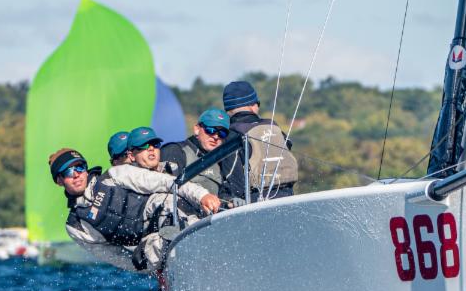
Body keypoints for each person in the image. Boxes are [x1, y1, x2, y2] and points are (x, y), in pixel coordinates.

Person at [49, 147, 220, 273]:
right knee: (146, 256)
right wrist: (152, 270)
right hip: (148, 243)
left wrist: (202, 196)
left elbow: (168, 183)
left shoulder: (115, 175)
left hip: (165, 215)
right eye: (68, 172)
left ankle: (207, 246)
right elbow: (115, 257)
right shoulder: (76, 226)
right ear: (59, 181)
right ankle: (176, 262)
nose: (76, 174)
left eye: (79, 167)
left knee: (167, 203)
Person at [221, 80, 299, 201]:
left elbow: (234, 180)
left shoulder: (231, 136)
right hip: (288, 195)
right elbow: (288, 145)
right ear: (253, 106)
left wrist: (229, 198)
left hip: (256, 200)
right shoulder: (274, 127)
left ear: (227, 110)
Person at [160, 108, 233, 203]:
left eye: (222, 134)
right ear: (197, 129)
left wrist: (230, 201)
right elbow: (166, 186)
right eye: (210, 130)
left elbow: (222, 194)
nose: (216, 136)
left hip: (211, 211)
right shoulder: (175, 150)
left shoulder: (222, 161)